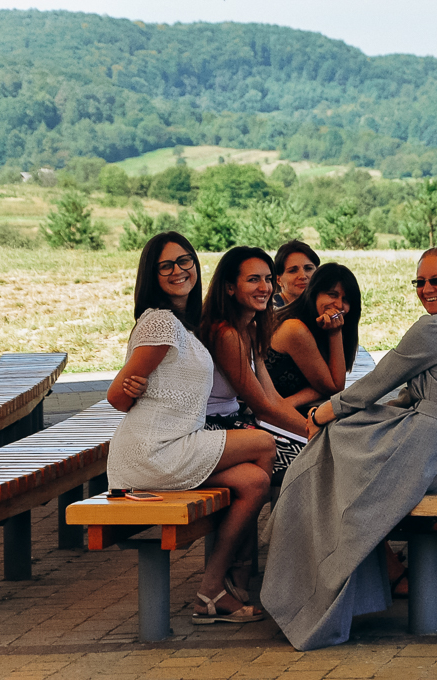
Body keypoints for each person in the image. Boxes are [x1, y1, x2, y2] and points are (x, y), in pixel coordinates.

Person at [262, 246, 437, 650]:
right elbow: (416, 392)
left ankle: (300, 569)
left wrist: (324, 413)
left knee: (333, 443)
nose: (427, 289)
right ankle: (338, 561)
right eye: (420, 282)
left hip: (434, 449)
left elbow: (379, 380)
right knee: (345, 446)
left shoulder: (434, 328)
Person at [106, 232, 275, 625]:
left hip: (175, 443)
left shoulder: (184, 324)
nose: (178, 271)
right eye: (166, 266)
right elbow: (116, 396)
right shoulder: (161, 323)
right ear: (152, 275)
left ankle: (213, 589)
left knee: (254, 482)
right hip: (153, 450)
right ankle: (235, 577)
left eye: (185, 261)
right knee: (263, 443)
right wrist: (133, 388)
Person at [200, 247, 312, 483]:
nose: (265, 288)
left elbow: (272, 398)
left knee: (313, 451)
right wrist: (317, 432)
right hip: (211, 428)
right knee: (309, 459)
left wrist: (316, 431)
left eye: (268, 279)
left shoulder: (249, 327)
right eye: (253, 280)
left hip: (233, 420)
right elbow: (263, 408)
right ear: (230, 287)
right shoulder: (225, 333)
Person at [266, 263, 363, 413]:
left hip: (285, 408)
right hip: (265, 414)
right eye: (332, 294)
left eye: (346, 299)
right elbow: (335, 387)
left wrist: (292, 401)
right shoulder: (295, 328)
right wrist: (335, 333)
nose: (338, 304)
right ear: (314, 293)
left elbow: (328, 385)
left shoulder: (320, 326)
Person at [273, 240, 320, 308]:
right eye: (293, 271)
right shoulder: (269, 310)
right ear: (278, 279)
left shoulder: (324, 306)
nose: (303, 276)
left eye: (308, 268)